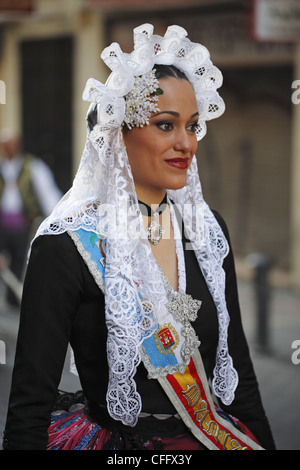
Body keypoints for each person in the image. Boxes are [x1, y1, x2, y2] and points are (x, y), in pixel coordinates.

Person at [2, 24, 276, 450]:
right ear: (117, 134)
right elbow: (29, 404)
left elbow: (239, 373)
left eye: (193, 125)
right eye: (166, 125)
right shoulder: (66, 247)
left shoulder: (206, 233)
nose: (186, 143)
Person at [0, 129, 62, 305]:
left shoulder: (32, 166)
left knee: (18, 263)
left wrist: (57, 219)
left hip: (21, 225)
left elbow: (48, 194)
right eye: (6, 146)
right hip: (2, 225)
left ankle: (13, 300)